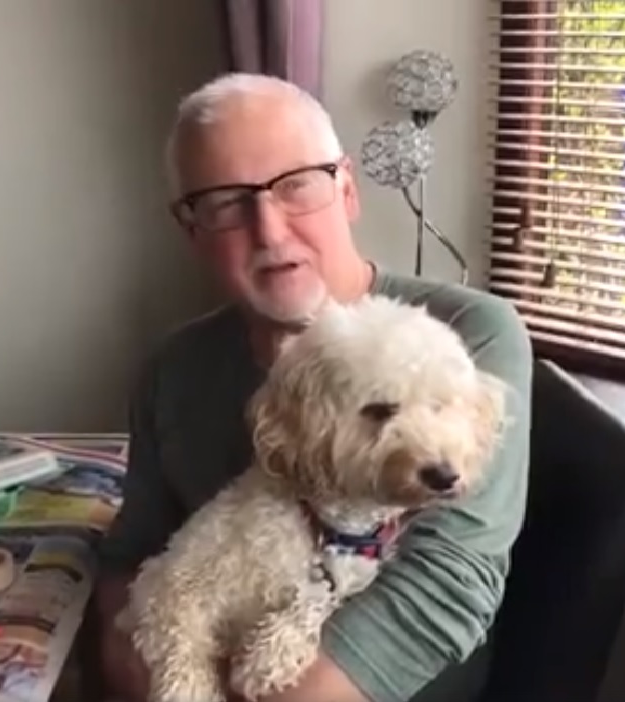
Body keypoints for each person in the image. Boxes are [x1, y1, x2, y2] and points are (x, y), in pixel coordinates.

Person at [92, 72, 533, 702]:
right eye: (225, 203)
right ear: (191, 229)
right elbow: (130, 557)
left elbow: (447, 584)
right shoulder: (173, 368)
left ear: (347, 189)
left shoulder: (468, 333)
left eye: (297, 185)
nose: (270, 230)